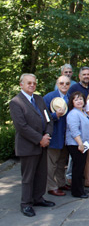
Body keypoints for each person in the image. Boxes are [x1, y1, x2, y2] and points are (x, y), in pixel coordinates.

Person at [10, 74, 55, 217]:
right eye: (29, 83)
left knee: (41, 174)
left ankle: (38, 198)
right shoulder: (16, 102)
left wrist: (47, 135)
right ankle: (26, 203)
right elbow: (21, 127)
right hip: (28, 145)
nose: (32, 85)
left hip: (43, 144)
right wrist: (39, 139)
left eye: (34, 83)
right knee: (28, 177)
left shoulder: (39, 99)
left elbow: (48, 119)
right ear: (21, 84)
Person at [44, 76, 71, 197]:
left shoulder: (70, 97)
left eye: (67, 83)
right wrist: (55, 115)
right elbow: (42, 117)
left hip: (67, 136)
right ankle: (51, 186)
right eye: (61, 83)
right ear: (57, 84)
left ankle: (61, 183)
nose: (64, 85)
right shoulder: (49, 97)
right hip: (54, 135)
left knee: (62, 162)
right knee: (51, 163)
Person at [66, 91, 89, 199]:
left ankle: (80, 188)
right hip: (76, 144)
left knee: (81, 167)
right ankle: (77, 191)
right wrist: (80, 144)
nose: (79, 101)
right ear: (72, 102)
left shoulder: (83, 112)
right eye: (76, 99)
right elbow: (74, 131)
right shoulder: (73, 114)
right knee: (77, 168)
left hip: (84, 144)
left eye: (81, 99)